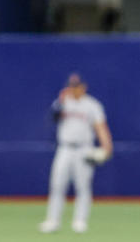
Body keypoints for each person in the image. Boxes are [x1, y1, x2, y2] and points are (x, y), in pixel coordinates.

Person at [39, 73, 113, 234]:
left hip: (84, 149)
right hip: (65, 148)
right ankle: (53, 221)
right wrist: (60, 103)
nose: (73, 89)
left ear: (83, 87)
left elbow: (100, 127)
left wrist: (107, 146)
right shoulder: (62, 102)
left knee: (83, 186)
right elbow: (53, 118)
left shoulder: (92, 105)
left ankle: (80, 221)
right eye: (71, 86)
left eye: (76, 86)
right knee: (57, 185)